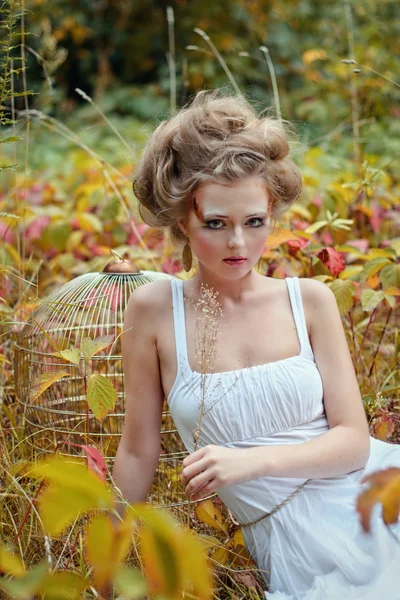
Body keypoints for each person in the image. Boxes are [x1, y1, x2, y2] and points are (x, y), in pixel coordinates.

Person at [112, 90, 400, 599]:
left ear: (272, 213)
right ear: (183, 219)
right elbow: (137, 452)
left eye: (255, 222)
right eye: (216, 224)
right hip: (291, 544)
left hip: (373, 501)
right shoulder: (155, 312)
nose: (239, 245)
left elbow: (354, 441)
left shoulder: (309, 301)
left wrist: (251, 461)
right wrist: (105, 568)